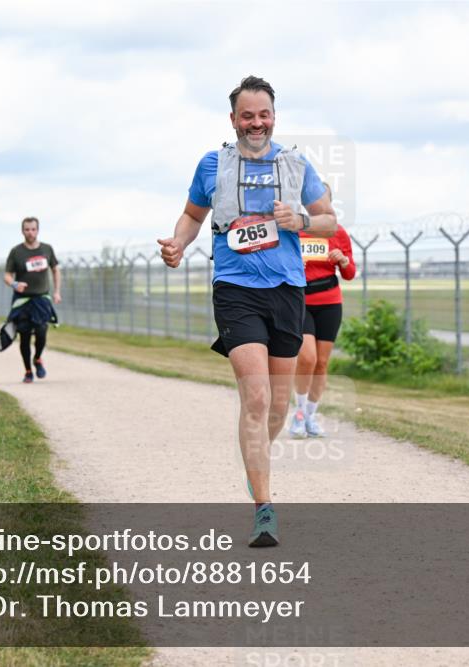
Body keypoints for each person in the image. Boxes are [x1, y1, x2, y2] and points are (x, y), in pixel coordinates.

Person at [158, 75, 337, 547]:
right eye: (247, 115)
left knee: (278, 404)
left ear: (274, 117)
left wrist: (299, 220)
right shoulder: (213, 163)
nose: (256, 123)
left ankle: (255, 461)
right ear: (233, 119)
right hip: (235, 287)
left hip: (286, 288)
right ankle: (264, 508)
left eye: (264, 115)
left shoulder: (297, 163)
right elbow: (193, 217)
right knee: (256, 399)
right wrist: (177, 242)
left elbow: (329, 219)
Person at [289, 184, 356, 437]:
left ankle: (311, 416)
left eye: (321, 199)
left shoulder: (337, 233)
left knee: (322, 363)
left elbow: (349, 274)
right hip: (301, 301)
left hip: (329, 301)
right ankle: (297, 413)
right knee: (307, 358)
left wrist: (343, 260)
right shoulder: (296, 231)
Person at [4, 217, 61, 382]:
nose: (30, 232)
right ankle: (28, 370)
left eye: (33, 229)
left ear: (38, 230)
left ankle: (38, 358)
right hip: (22, 300)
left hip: (41, 298)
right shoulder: (16, 252)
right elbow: (7, 275)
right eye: (27, 229)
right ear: (22, 231)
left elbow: (56, 270)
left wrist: (57, 292)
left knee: (42, 331)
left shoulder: (47, 249)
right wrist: (14, 284)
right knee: (25, 336)